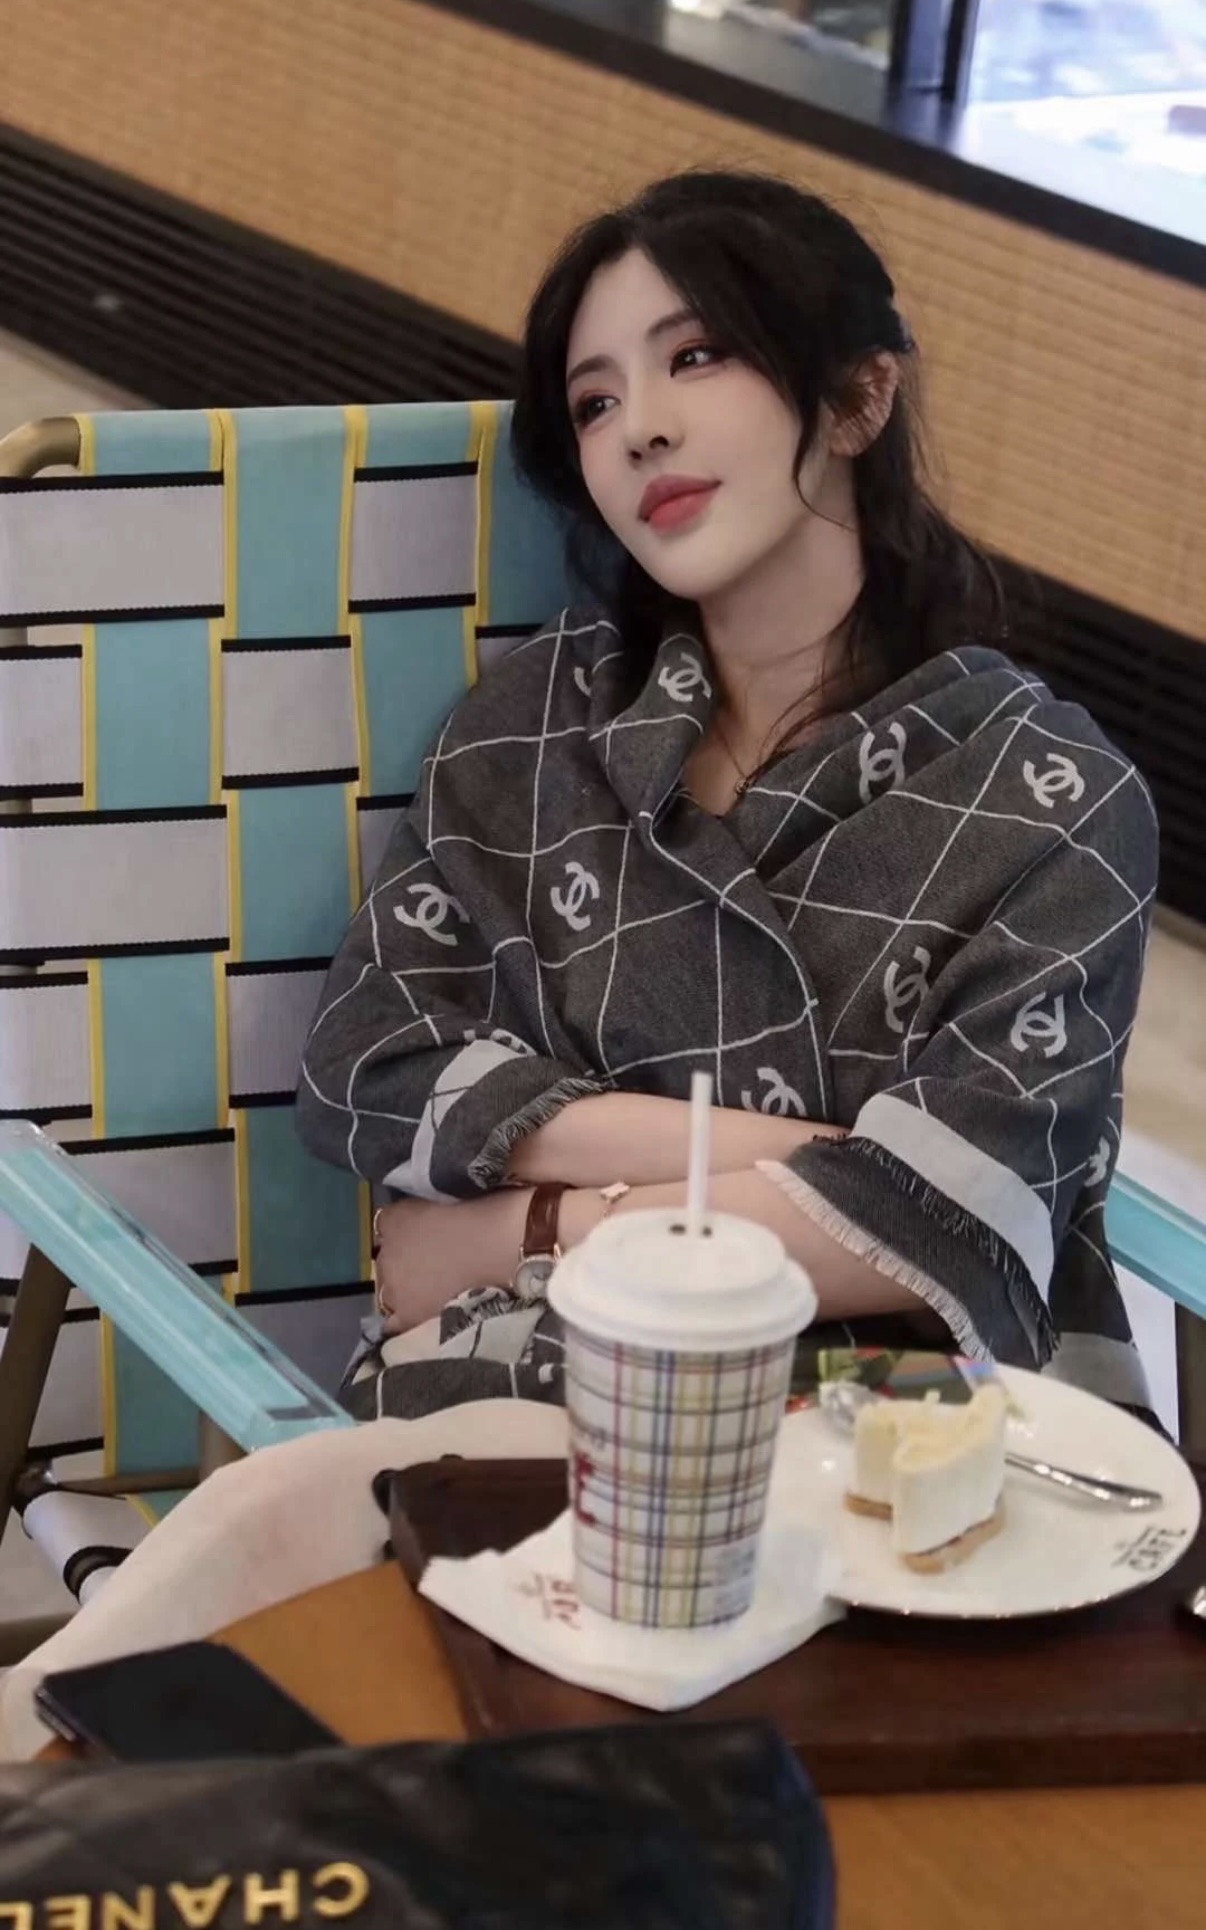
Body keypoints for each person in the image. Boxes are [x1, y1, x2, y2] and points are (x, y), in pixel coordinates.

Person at [296, 169, 1157, 1423]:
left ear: (858, 397)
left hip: (904, 1434)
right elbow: (367, 1066)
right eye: (595, 401)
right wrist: (821, 1162)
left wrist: (522, 1231)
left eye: (695, 357)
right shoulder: (534, 728)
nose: (640, 429)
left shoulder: (1053, 798)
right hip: (505, 1410)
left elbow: (951, 1222)